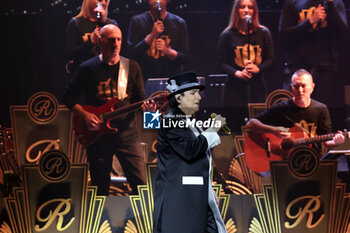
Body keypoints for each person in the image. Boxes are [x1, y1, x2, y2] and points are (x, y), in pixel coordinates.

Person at [63, 24, 155, 196]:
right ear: (100, 41)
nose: (116, 44)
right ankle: (100, 222)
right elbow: (67, 97)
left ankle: (145, 221)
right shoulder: (87, 68)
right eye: (111, 40)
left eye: (119, 39)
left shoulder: (132, 67)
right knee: (100, 187)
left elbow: (142, 101)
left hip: (127, 136)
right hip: (98, 136)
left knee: (141, 185)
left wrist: (150, 111)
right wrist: (85, 114)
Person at [153, 72, 228, 233]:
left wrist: (207, 191)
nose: (199, 98)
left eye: (198, 93)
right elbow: (190, 149)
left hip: (194, 200)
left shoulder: (187, 122)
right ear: (179, 98)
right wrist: (213, 128)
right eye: (193, 93)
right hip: (181, 203)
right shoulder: (171, 121)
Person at [279, 0, 349, 129]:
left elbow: (344, 33)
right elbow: (284, 35)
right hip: (298, 69)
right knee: (296, 119)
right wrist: (309, 22)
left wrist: (331, 5)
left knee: (329, 121)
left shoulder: (335, 3)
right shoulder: (292, 3)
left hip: (326, 70)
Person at [246, 69, 345, 156]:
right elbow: (251, 124)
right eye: (296, 86)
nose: (300, 90)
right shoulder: (282, 108)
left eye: (303, 86)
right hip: (286, 161)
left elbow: (327, 142)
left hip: (313, 159)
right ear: (291, 87)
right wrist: (274, 130)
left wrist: (337, 142)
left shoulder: (321, 109)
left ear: (312, 87)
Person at [218, 0, 274, 133]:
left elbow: (271, 59)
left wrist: (258, 68)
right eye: (242, 7)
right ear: (236, 10)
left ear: (255, 11)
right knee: (235, 127)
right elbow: (221, 63)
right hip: (234, 89)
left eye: (250, 7)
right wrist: (237, 73)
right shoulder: (228, 35)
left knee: (258, 126)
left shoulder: (263, 33)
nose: (246, 10)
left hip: (257, 88)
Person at [127, 0, 189, 80]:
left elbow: (184, 57)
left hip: (172, 78)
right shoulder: (137, 21)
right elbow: (132, 54)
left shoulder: (179, 22)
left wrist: (167, 50)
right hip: (145, 78)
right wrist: (152, 36)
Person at [65, 0, 118, 76]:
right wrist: (90, 42)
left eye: (106, 1)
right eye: (99, 0)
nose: (103, 2)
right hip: (82, 74)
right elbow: (70, 53)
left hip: (104, 74)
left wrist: (103, 23)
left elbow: (114, 52)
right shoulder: (76, 23)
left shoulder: (111, 24)